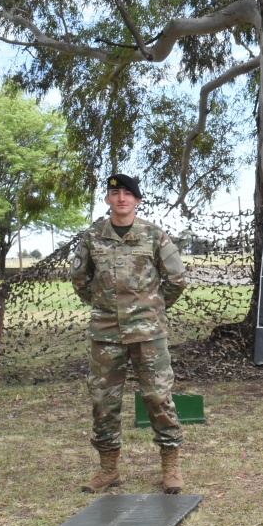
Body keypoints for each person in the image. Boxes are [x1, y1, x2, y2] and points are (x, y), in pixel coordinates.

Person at [70, 174, 188, 494]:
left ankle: (171, 467)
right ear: (107, 200)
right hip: (106, 333)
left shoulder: (154, 236)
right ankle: (108, 469)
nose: (121, 198)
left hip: (148, 333)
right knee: (103, 401)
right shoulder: (92, 237)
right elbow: (79, 279)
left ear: (137, 201)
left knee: (158, 397)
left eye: (127, 194)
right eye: (115, 193)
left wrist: (153, 309)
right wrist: (104, 307)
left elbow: (176, 279)